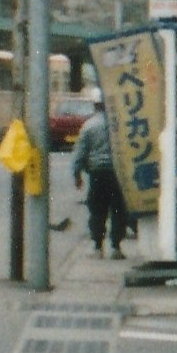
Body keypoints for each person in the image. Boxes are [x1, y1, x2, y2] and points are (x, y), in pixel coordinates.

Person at [73, 104, 130, 259]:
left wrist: (77, 174)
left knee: (97, 210)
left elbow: (81, 152)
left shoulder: (89, 125)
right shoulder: (120, 123)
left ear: (95, 107)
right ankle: (116, 247)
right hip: (118, 173)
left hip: (97, 174)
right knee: (118, 210)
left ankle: (98, 247)